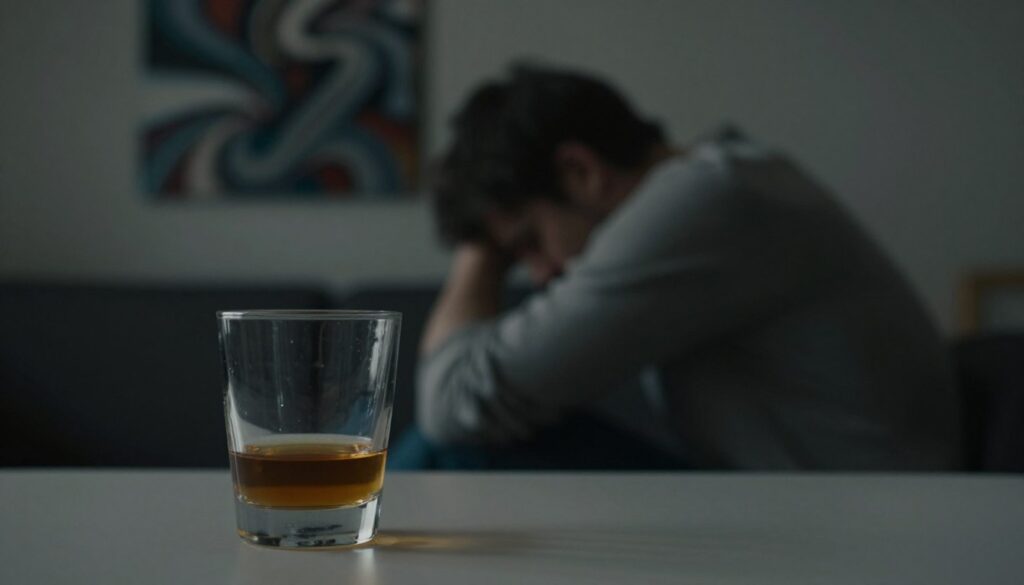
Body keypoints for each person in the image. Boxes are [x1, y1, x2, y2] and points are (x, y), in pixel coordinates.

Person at [404, 63, 962, 470]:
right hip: (803, 497)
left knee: (457, 447)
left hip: (848, 516)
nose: (541, 274)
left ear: (581, 172)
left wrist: (478, 251)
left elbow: (453, 406)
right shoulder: (728, 180)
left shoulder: (704, 202)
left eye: (529, 241)